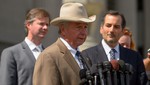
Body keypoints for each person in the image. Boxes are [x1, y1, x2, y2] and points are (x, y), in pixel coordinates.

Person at [32, 2, 96, 85]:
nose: (84, 32)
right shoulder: (49, 56)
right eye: (78, 27)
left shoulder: (83, 57)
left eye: (85, 27)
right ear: (63, 29)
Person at [81, 10, 148, 85]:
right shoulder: (86, 56)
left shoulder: (135, 57)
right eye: (108, 25)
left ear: (122, 31)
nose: (112, 30)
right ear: (101, 29)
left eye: (116, 26)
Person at [0, 8, 51, 85]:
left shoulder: (50, 55)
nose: (45, 28)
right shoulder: (11, 53)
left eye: (47, 24)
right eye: (41, 24)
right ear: (28, 25)